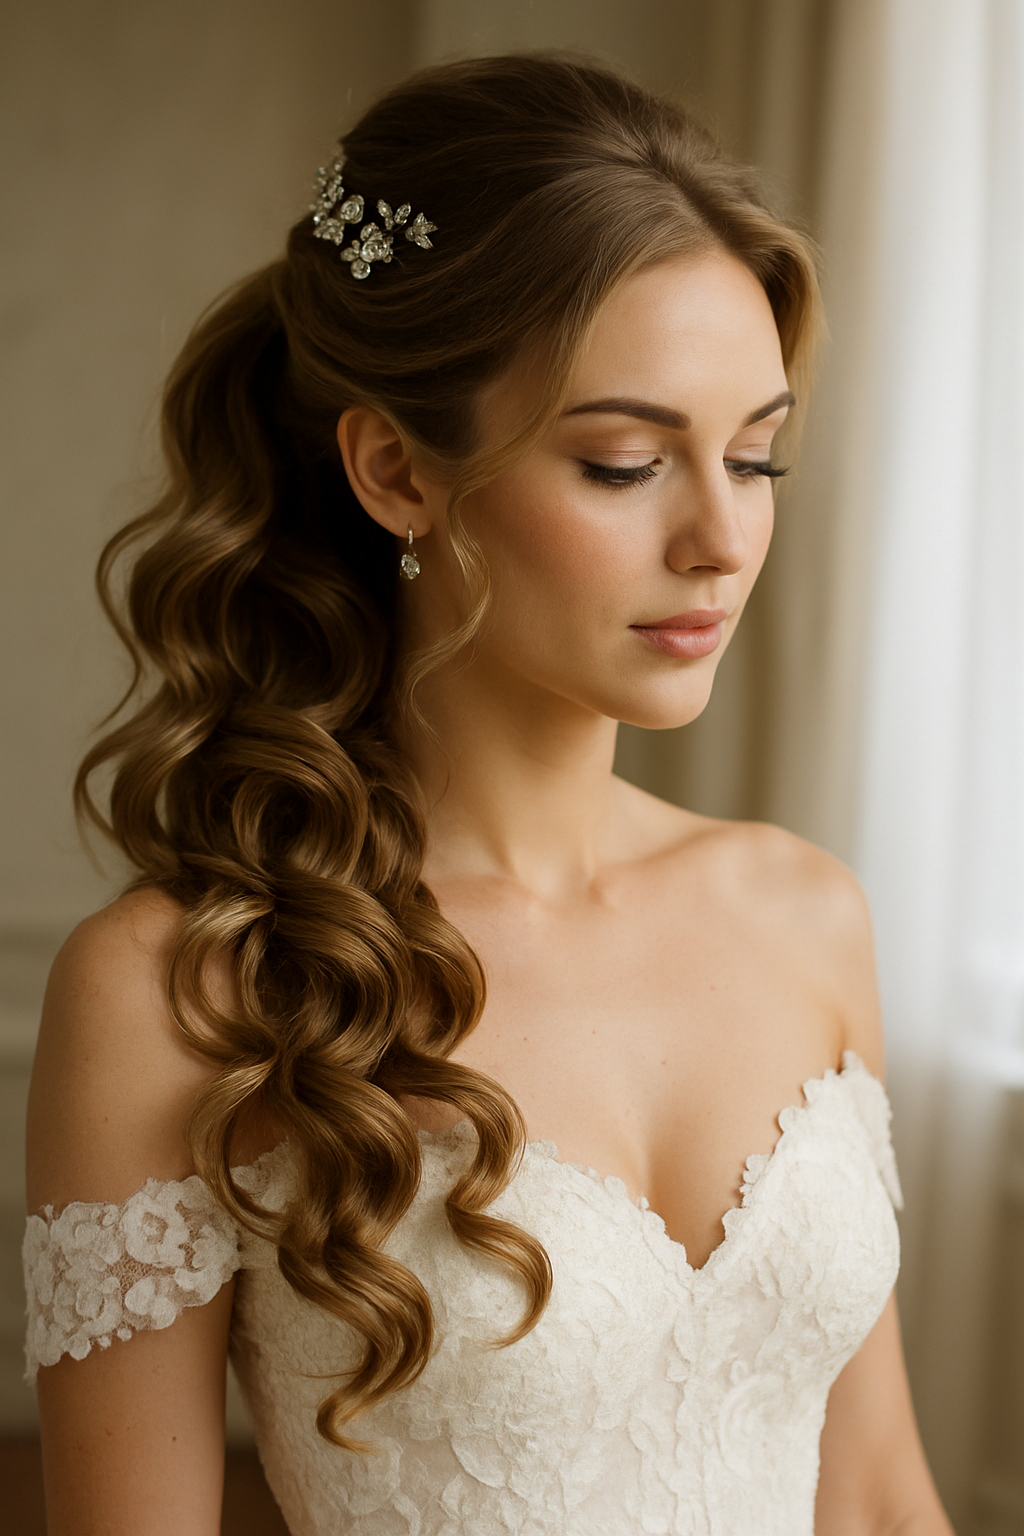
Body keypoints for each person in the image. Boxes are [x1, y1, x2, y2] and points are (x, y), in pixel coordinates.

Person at [23, 52, 952, 1536]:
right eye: (626, 461)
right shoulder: (176, 992)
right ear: (395, 468)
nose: (722, 536)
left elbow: (880, 1494)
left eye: (759, 455)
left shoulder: (805, 914)